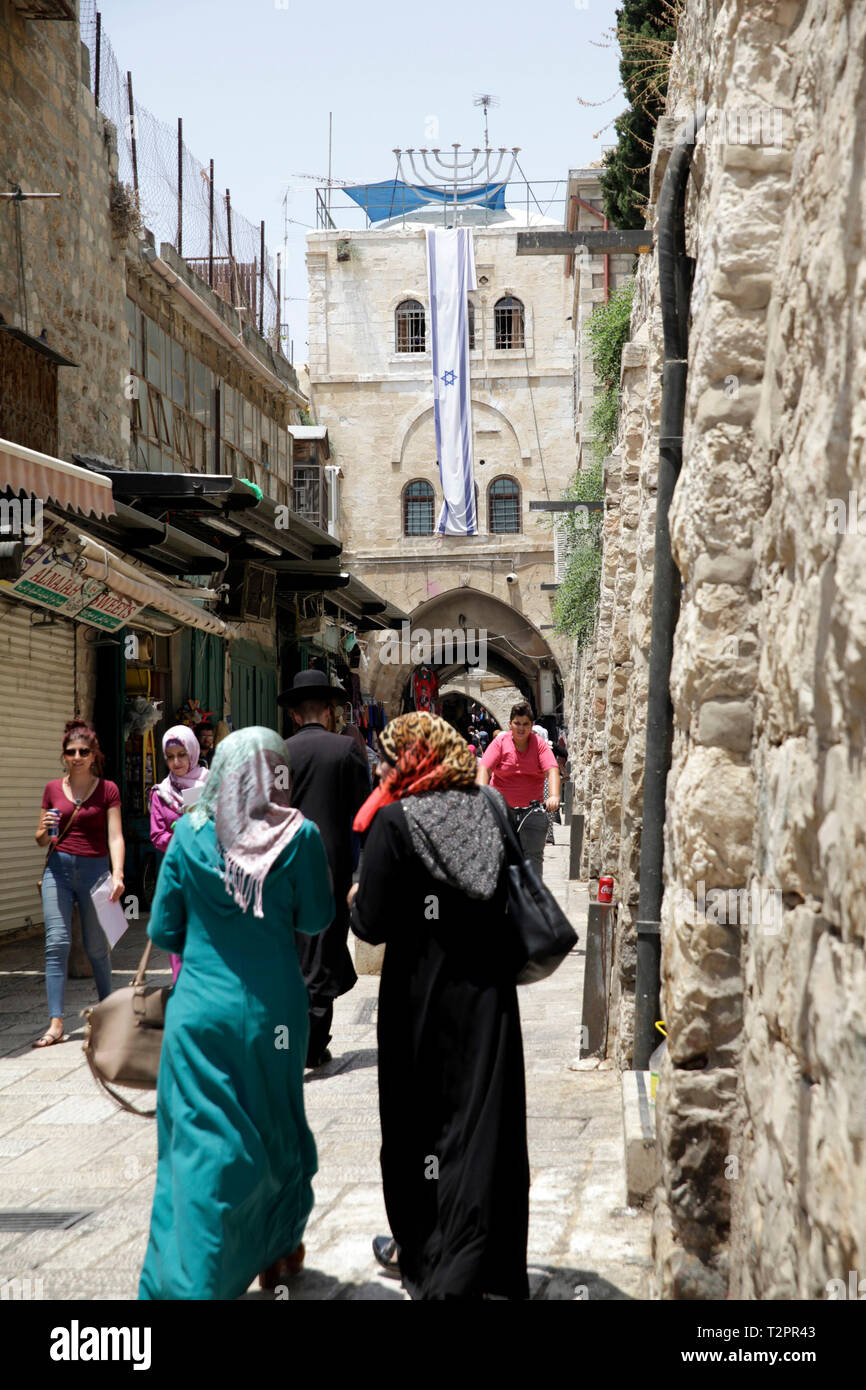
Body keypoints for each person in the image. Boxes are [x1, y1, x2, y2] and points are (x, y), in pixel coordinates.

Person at [138, 727, 334, 1301]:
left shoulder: (189, 833)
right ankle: (277, 1249)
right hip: (274, 1013)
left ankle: (191, 1277)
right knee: (275, 1122)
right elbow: (317, 919)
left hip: (199, 1012)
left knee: (203, 1138)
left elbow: (164, 928)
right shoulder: (300, 835)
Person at [349, 712, 529, 1300]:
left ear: (413, 761)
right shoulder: (491, 810)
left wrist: (356, 897)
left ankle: (432, 1260)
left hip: (419, 999)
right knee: (484, 1130)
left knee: (417, 1130)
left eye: (390, 756)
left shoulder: (397, 823)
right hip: (489, 1000)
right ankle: (487, 1264)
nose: (382, 765)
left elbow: (371, 922)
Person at [278, 669, 372, 1068]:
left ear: (295, 715)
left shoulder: (278, 753)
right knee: (324, 946)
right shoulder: (345, 751)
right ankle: (312, 1043)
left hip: (283, 863)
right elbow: (364, 814)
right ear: (330, 711)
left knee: (292, 948)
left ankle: (295, 1039)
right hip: (330, 864)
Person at [33, 718, 124, 1048]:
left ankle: (109, 1013)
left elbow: (115, 835)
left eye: (83, 750)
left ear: (93, 753)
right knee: (56, 943)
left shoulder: (108, 790)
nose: (77, 756)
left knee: (97, 948)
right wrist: (44, 828)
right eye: (70, 751)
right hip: (57, 871)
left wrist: (119, 874)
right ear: (64, 755)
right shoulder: (52, 789)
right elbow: (41, 840)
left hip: (95, 872)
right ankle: (56, 1022)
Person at [149, 726, 210, 983]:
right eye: (170, 756)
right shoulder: (161, 793)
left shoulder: (211, 784)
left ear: (193, 753)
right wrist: (181, 835)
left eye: (182, 755)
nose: (176, 762)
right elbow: (157, 835)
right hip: (178, 876)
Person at [477, 701, 560, 877]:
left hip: (532, 809)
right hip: (502, 809)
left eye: (525, 724)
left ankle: (532, 896)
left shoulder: (539, 744)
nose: (521, 728)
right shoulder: (501, 742)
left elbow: (552, 770)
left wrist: (553, 796)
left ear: (532, 726)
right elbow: (484, 769)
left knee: (533, 857)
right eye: (517, 723)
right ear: (510, 724)